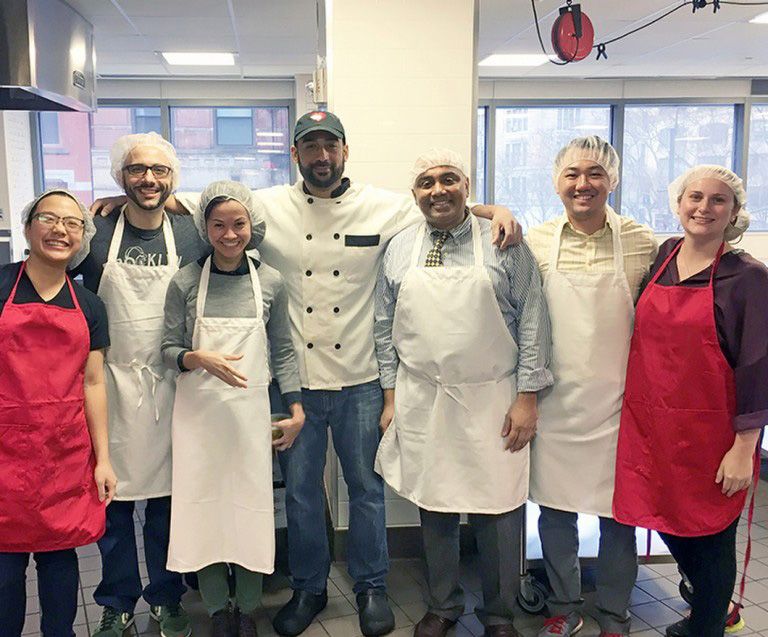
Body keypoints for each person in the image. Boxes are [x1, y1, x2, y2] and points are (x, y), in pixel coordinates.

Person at [90, 110, 521, 637]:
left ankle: (371, 588)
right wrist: (120, 203)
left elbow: (440, 206)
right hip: (291, 383)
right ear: (295, 154)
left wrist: (489, 207)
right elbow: (206, 208)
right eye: (309, 147)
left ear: (345, 150)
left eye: (330, 146)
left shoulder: (384, 207)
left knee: (365, 489)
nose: (321, 156)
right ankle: (310, 588)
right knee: (299, 492)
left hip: (360, 375)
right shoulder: (266, 204)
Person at [374, 149, 552, 637]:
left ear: (467, 186)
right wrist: (391, 397)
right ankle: (444, 606)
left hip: (493, 397)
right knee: (435, 506)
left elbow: (534, 318)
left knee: (499, 511)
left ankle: (498, 614)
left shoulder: (503, 242)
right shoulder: (398, 247)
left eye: (448, 179)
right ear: (415, 194)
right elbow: (383, 324)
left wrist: (527, 396)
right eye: (427, 182)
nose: (438, 190)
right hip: (423, 397)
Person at [613, 165, 768, 637]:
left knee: (710, 536)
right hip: (651, 428)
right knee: (662, 519)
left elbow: (758, 368)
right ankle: (708, 614)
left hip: (712, 436)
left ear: (735, 212)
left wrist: (745, 448)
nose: (704, 207)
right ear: (678, 205)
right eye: (695, 197)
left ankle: (707, 627)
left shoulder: (749, 279)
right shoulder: (663, 257)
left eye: (718, 200)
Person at [526, 137, 657, 637]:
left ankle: (615, 612)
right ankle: (564, 605)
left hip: (621, 404)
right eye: (573, 174)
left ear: (613, 180)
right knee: (555, 513)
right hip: (555, 403)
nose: (584, 184)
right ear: (557, 181)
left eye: (596, 174)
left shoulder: (642, 240)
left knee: (619, 518)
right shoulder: (534, 240)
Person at [161, 180, 305, 637]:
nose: (229, 234)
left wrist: (295, 407)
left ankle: (246, 608)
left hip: (249, 418)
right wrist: (194, 357)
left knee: (249, 507)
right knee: (200, 509)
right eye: (218, 224)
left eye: (238, 224)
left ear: (252, 226)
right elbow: (165, 349)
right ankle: (218, 609)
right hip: (198, 419)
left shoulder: (271, 281)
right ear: (204, 227)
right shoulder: (185, 280)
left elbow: (283, 350)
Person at [76, 132, 205, 637]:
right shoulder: (96, 231)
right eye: (135, 170)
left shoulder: (190, 230)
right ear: (118, 176)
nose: (148, 179)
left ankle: (168, 597)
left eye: (159, 171)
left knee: (166, 507)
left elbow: (244, 215)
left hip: (174, 384)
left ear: (174, 178)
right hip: (109, 384)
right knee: (112, 505)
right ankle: (117, 600)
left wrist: (178, 198)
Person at [0, 190, 117, 636]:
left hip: (62, 454)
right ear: (29, 227)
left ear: (82, 238)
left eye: (72, 223)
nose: (60, 230)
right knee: (5, 572)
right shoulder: (0, 285)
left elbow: (93, 383)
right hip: (4, 452)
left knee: (59, 561)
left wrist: (103, 458)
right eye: (49, 218)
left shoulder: (90, 305)